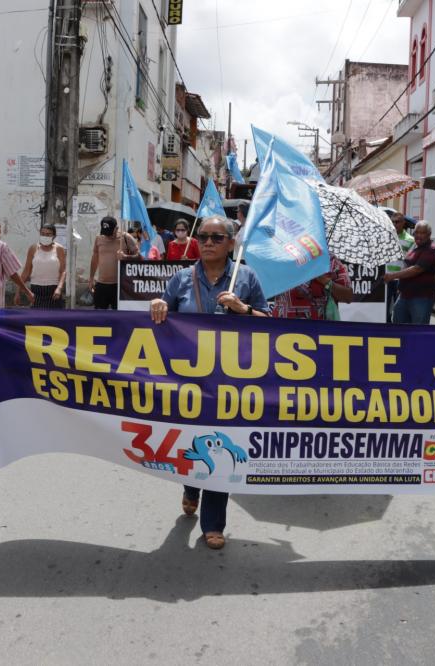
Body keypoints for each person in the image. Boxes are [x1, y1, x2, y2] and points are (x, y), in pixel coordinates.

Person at [149, 215, 270, 550]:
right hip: (188, 378)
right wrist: (158, 305)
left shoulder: (245, 277)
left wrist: (243, 309)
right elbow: (162, 315)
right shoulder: (181, 278)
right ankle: (190, 488)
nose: (208, 243)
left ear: (232, 243)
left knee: (221, 443)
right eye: (203, 236)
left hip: (231, 381)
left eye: (217, 237)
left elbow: (269, 322)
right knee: (191, 439)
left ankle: (213, 523)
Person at [384, 220, 435, 325]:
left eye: (422, 233)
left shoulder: (431, 249)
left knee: (417, 332)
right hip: (404, 296)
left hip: (421, 297)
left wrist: (393, 276)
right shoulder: (414, 247)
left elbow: (417, 269)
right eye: (416, 232)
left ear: (429, 234)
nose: (418, 235)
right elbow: (406, 265)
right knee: (398, 327)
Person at [272, 256, 354, 319]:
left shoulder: (331, 261)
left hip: (320, 331)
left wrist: (325, 281)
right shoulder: (282, 258)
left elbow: (348, 297)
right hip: (283, 329)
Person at [89, 216, 139, 309]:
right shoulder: (99, 238)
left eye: (110, 232)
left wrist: (126, 257)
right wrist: (91, 278)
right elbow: (95, 258)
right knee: (99, 316)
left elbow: (140, 257)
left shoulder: (126, 238)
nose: (107, 235)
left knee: (118, 317)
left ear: (116, 228)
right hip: (101, 285)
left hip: (120, 285)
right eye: (105, 232)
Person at [16, 224, 67, 308]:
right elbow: (26, 271)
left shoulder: (59, 249)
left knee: (53, 319)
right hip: (36, 291)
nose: (45, 236)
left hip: (54, 291)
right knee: (36, 319)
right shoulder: (33, 248)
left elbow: (63, 271)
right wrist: (18, 292)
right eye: (43, 234)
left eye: (48, 234)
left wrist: (59, 288)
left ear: (54, 236)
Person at [383, 209, 415, 323]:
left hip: (400, 279)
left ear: (403, 223)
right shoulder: (385, 237)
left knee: (399, 308)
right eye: (393, 222)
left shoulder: (410, 240)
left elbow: (411, 261)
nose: (395, 224)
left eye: (398, 222)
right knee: (384, 308)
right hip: (386, 277)